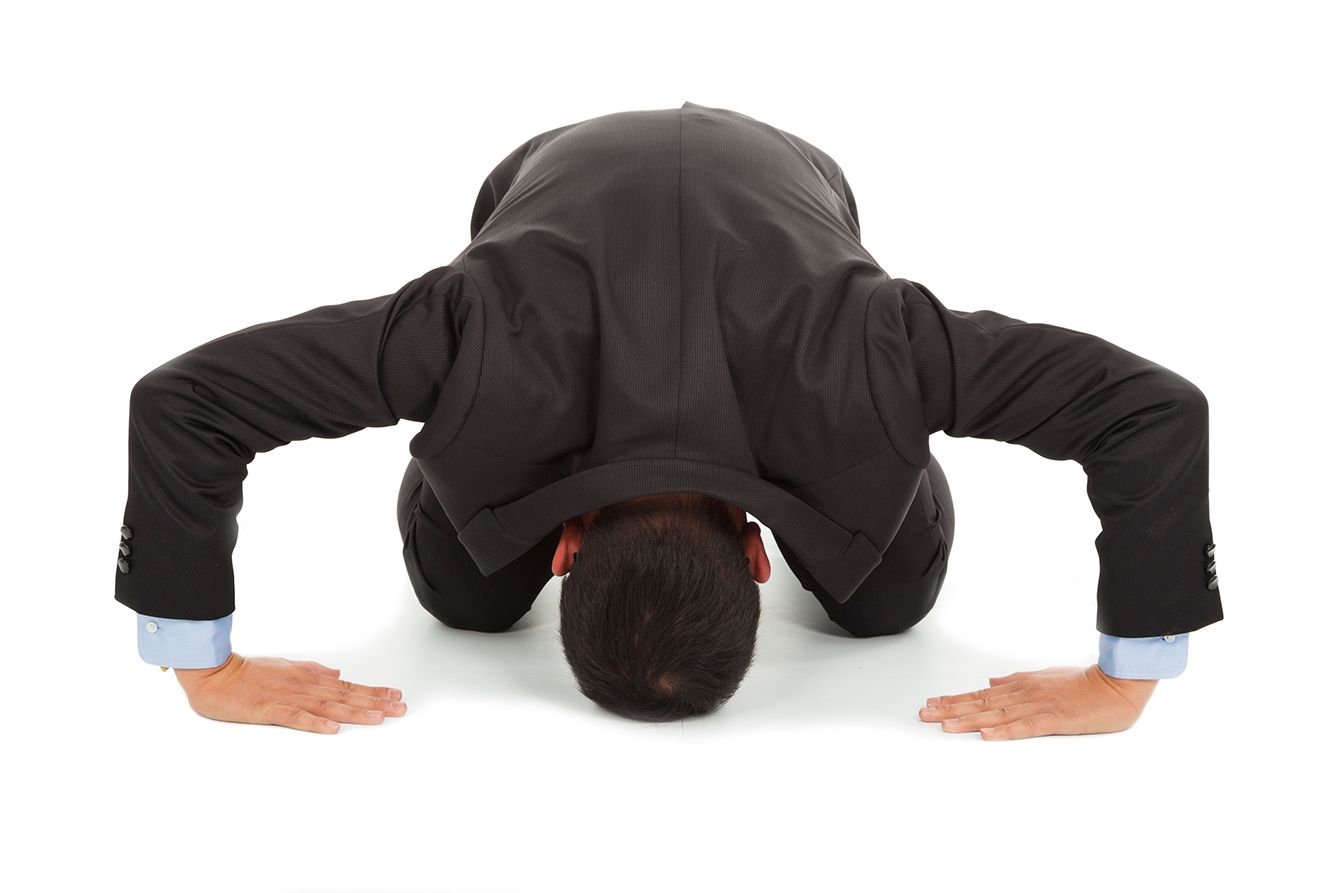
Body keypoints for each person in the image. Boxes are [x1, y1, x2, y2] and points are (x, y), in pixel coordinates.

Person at [115, 101, 1223, 738]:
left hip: (785, 187)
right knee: (464, 597)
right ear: (760, 556)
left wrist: (1124, 682)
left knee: (885, 601)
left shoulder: (859, 344)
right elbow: (189, 403)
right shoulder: (479, 322)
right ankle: (503, 454)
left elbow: (1150, 413)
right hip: (552, 188)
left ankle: (853, 459)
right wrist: (206, 669)